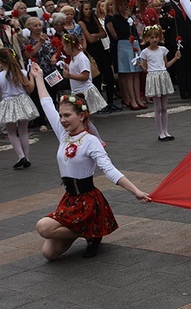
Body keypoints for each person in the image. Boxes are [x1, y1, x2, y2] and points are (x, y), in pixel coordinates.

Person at [28, 63, 151, 260]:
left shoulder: (91, 141)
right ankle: (89, 232)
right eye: (61, 116)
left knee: (43, 227)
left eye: (67, 115)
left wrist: (136, 191)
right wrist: (38, 76)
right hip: (69, 199)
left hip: (87, 202)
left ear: (82, 116)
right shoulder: (63, 134)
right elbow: (46, 103)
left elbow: (109, 170)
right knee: (49, 254)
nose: (62, 120)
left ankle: (93, 230)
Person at [60, 33, 107, 144]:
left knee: (85, 120)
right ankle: (91, 140)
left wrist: (69, 76)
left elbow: (85, 76)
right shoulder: (74, 58)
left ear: (70, 46)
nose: (63, 49)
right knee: (85, 120)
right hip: (77, 91)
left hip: (84, 91)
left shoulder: (81, 58)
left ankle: (98, 140)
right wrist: (68, 68)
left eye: (64, 46)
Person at [138, 25, 181, 141]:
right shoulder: (145, 52)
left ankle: (166, 131)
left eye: (156, 37)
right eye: (151, 37)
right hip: (153, 76)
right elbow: (146, 69)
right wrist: (140, 65)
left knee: (164, 107)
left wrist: (175, 58)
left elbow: (166, 65)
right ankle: (160, 132)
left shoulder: (163, 50)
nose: (154, 40)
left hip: (163, 75)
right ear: (147, 39)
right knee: (158, 107)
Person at [0, 48, 38, 169]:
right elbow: (30, 88)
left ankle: (21, 156)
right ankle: (26, 157)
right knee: (23, 131)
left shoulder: (0, 76)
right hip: (23, 101)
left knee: (11, 132)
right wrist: (31, 76)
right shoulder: (21, 72)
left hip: (8, 103)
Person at [105, 0, 143, 110]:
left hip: (134, 43)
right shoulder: (115, 18)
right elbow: (119, 33)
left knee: (136, 73)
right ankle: (131, 99)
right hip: (124, 44)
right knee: (128, 74)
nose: (123, 7)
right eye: (121, 5)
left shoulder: (131, 17)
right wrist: (126, 20)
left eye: (125, 5)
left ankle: (138, 98)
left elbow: (135, 31)